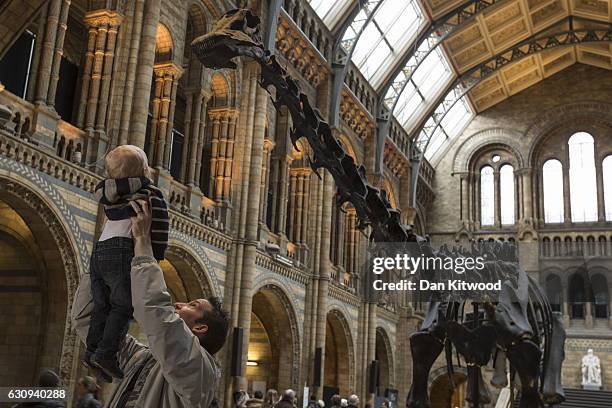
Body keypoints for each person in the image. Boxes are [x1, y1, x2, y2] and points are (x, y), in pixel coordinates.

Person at [72, 197, 230, 407]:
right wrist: (108, 250)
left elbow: (158, 316)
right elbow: (88, 321)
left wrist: (143, 244)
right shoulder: (141, 358)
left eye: (192, 305)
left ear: (200, 327)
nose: (179, 304)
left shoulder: (200, 369)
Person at [84, 145, 169, 380]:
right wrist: (155, 257)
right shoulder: (150, 193)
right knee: (122, 306)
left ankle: (91, 351)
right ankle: (106, 354)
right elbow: (160, 226)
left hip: (99, 252)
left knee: (101, 307)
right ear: (144, 170)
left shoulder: (107, 193)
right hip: (122, 251)